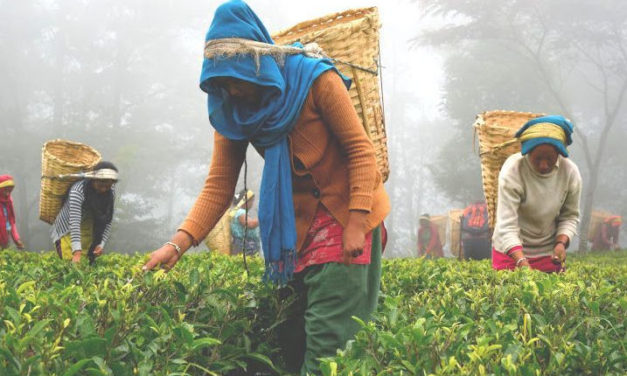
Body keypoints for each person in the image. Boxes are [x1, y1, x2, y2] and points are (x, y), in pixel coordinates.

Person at [143, 1, 390, 374]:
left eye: (235, 79)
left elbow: (360, 150)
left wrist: (357, 220)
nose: (232, 91)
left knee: (331, 346)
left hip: (345, 216)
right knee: (288, 339)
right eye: (221, 82)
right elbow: (219, 186)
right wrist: (178, 243)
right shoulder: (234, 109)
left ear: (255, 61)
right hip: (295, 229)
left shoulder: (315, 79)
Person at [492, 115, 582, 272]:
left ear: (559, 154)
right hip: (510, 251)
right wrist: (521, 261)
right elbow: (506, 224)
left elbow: (570, 216)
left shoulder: (570, 172)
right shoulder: (513, 170)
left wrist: (560, 243)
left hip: (548, 252)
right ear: (527, 153)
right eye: (538, 158)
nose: (543, 165)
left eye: (550, 158)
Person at [51, 161, 118, 263]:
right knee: (69, 264)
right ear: (93, 180)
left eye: (107, 186)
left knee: (87, 264)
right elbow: (74, 222)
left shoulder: (111, 190)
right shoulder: (78, 191)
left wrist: (101, 244)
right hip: (68, 231)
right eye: (100, 185)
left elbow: (107, 219)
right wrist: (77, 252)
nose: (104, 189)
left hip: (90, 228)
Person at [230, 189, 261, 256]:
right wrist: (262, 218)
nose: (252, 203)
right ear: (246, 201)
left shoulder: (237, 211)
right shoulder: (240, 212)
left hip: (243, 244)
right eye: (252, 200)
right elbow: (250, 224)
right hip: (245, 245)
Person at [0, 175, 24, 250]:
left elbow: (11, 222)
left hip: (6, 238)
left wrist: (17, 239)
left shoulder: (8, 202)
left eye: (9, 191)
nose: (7, 194)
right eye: (5, 190)